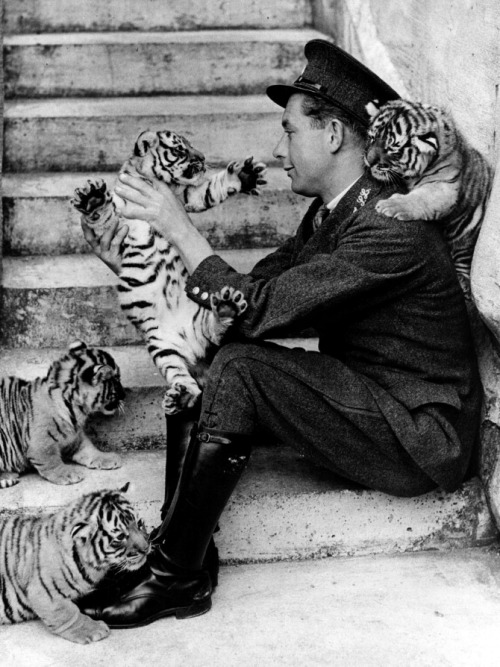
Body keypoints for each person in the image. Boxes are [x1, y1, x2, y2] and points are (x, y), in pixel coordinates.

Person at [80, 40, 480, 627]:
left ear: (336, 134)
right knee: (212, 361)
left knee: (240, 364)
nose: (277, 149)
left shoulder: (386, 228)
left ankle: (175, 577)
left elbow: (260, 305)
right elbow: (256, 285)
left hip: (418, 437)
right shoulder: (334, 211)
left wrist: (181, 229)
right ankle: (179, 549)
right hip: (367, 399)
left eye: (289, 132)